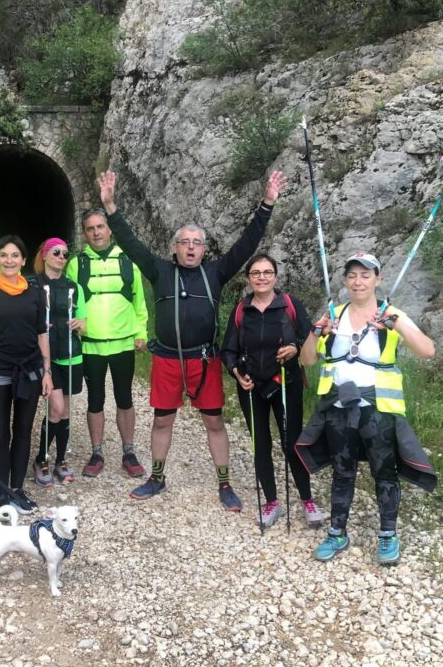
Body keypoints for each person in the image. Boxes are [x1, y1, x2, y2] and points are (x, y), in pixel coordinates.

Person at [97, 169, 288, 511]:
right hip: (168, 359)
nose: (190, 247)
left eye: (196, 242)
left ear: (203, 249)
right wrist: (110, 206)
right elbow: (130, 242)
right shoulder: (158, 270)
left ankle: (224, 483)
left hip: (204, 360)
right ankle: (157, 477)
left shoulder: (216, 272)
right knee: (162, 420)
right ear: (175, 247)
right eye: (184, 242)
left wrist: (267, 204)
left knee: (214, 421)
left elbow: (246, 245)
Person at [296, 252, 437, 566]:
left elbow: (428, 350)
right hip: (338, 407)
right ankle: (337, 532)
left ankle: (388, 534)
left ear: (377, 279)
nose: (358, 281)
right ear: (345, 280)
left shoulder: (392, 314)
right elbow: (306, 360)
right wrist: (316, 332)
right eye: (352, 275)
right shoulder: (333, 314)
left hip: (378, 409)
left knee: (384, 472)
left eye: (365, 275)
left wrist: (396, 324)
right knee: (342, 472)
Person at [221, 253, 322, 528]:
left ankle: (307, 499)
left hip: (286, 383)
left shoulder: (290, 304)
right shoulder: (242, 310)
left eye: (267, 272)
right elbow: (228, 350)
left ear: (275, 276)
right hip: (251, 386)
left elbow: (309, 337)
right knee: (261, 444)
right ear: (248, 278)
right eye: (256, 273)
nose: (262, 277)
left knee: (293, 443)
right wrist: (236, 373)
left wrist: (296, 348)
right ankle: (271, 502)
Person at [0, 235, 53, 514]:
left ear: (23, 260)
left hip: (29, 370)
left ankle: (17, 489)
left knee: (23, 431)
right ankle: (1, 495)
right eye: (4, 255)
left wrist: (46, 372)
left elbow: (42, 334)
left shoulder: (35, 294)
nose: (9, 260)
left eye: (15, 255)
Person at [65, 206, 148, 479]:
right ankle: (97, 452)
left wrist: (141, 333)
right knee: (95, 400)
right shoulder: (76, 264)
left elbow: (138, 301)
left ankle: (129, 452)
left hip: (123, 342)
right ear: (84, 234)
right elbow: (68, 302)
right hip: (91, 344)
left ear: (109, 229)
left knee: (124, 397)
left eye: (100, 226)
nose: (96, 232)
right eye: (90, 228)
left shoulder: (127, 261)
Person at [31, 238, 87, 485]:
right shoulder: (33, 285)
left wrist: (80, 324)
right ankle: (41, 459)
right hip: (45, 356)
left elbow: (84, 322)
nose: (61, 257)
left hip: (70, 354)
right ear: (44, 255)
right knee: (56, 408)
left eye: (65, 254)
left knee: (64, 411)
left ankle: (60, 459)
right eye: (56, 252)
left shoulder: (74, 287)